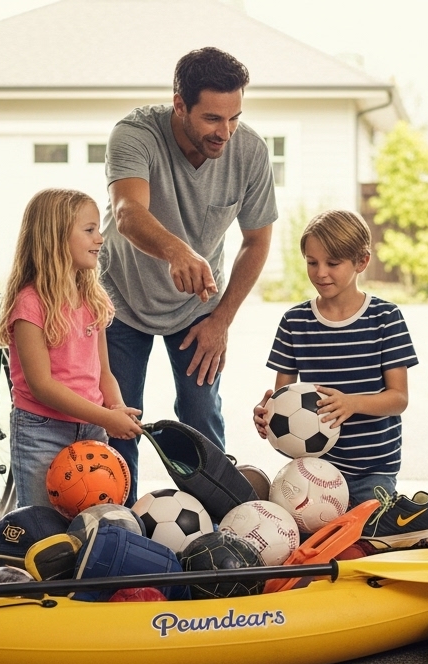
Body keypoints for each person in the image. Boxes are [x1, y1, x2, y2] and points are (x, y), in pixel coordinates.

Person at [102, 47, 278, 503]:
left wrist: (222, 320)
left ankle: (220, 521)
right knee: (120, 420)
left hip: (197, 304)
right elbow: (126, 212)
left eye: (234, 118)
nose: (225, 132)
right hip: (121, 296)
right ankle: (119, 524)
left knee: (202, 417)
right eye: (212, 119)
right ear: (180, 104)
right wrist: (177, 251)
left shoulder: (249, 151)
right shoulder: (135, 134)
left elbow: (256, 241)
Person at [253, 210, 417, 505]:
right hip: (313, 471)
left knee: (368, 533)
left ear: (361, 261)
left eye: (333, 263)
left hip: (372, 471)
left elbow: (398, 399)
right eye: (312, 262)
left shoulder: (386, 318)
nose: (320, 273)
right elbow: (283, 396)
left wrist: (352, 403)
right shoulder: (294, 322)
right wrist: (268, 415)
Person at [0, 189, 144, 508]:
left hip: (92, 429)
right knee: (43, 523)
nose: (100, 239)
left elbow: (103, 372)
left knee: (93, 521)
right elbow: (42, 386)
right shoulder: (30, 305)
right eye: (89, 230)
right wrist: (106, 417)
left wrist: (116, 408)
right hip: (41, 432)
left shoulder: (93, 299)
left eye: (98, 230)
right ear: (55, 238)